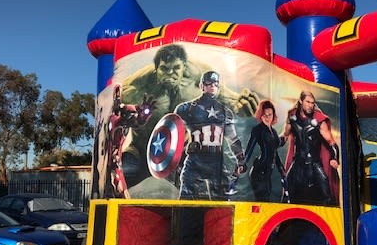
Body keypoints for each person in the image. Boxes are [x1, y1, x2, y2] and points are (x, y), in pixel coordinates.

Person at [120, 44, 259, 188]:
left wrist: (240, 104)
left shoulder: (199, 77)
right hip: (141, 153)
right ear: (156, 69)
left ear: (184, 67)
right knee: (118, 179)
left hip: (180, 156)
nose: (170, 73)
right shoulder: (138, 85)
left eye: (176, 68)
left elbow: (231, 100)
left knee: (201, 189)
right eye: (164, 69)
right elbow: (116, 106)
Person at [174, 70, 247, 200]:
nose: (212, 85)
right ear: (202, 86)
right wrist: (182, 152)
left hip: (216, 160)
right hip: (195, 159)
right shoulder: (187, 108)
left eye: (215, 83)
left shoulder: (224, 111)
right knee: (186, 199)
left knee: (221, 202)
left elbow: (232, 139)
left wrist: (240, 159)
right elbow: (173, 132)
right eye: (209, 83)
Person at [281, 90, 340, 206]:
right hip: (297, 162)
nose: (310, 105)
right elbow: (285, 136)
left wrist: (335, 158)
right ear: (301, 101)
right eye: (307, 102)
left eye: (312, 103)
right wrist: (273, 142)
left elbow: (331, 142)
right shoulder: (292, 118)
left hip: (314, 163)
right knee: (287, 192)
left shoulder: (319, 121)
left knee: (326, 193)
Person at [244, 100, 286, 202]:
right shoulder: (257, 130)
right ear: (260, 115)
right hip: (259, 173)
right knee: (263, 201)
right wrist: (242, 163)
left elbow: (274, 150)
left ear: (273, 115)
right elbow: (249, 149)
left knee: (266, 201)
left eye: (270, 115)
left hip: (267, 173)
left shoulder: (273, 131)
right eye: (265, 115)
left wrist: (281, 169)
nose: (267, 118)